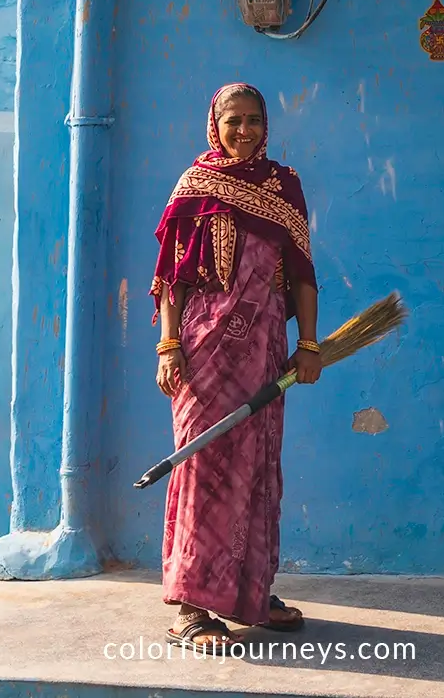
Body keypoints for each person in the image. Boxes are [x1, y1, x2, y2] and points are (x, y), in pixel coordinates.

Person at [151, 83, 321, 650]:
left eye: (252, 120)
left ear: (265, 125)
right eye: (232, 121)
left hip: (266, 348)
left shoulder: (283, 185)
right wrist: (168, 346)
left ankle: (250, 592)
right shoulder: (194, 187)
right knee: (204, 466)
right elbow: (172, 278)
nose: (243, 131)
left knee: (255, 465)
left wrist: (311, 343)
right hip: (203, 353)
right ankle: (194, 608)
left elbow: (300, 270)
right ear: (214, 125)